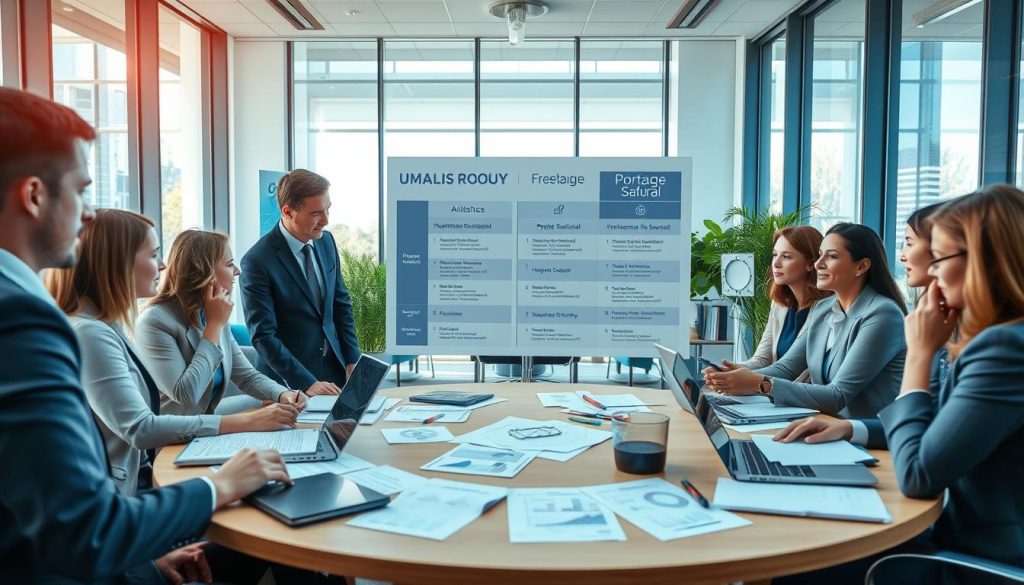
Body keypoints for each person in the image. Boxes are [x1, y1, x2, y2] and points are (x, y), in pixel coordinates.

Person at [0, 87, 289, 584]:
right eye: (81, 190)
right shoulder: (25, 320)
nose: (89, 214)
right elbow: (82, 527)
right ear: (33, 195)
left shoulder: (81, 320)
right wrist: (219, 487)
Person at [774, 186, 1024, 581]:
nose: (933, 270)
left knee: (796, 565)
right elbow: (939, 422)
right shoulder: (986, 340)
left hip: (975, 555)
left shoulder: (1004, 349)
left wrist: (920, 354)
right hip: (950, 530)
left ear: (984, 262)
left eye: (940, 257)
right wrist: (851, 428)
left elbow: (919, 475)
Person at [46, 211, 302, 495]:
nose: (163, 264)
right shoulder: (95, 331)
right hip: (125, 485)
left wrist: (282, 394)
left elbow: (245, 374)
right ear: (119, 263)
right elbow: (147, 423)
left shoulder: (109, 324)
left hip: (159, 460)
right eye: (153, 254)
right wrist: (246, 420)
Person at [704, 223, 906, 418]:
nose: (818, 264)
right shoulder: (823, 308)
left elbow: (838, 395)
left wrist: (759, 383)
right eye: (820, 255)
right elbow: (786, 368)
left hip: (868, 437)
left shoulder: (882, 314)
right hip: (824, 425)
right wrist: (733, 377)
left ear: (861, 266)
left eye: (832, 256)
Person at [137, 229, 309, 418]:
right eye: (229, 264)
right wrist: (213, 327)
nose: (237, 271)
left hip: (206, 428)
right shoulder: (155, 321)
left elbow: (246, 376)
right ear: (204, 272)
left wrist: (283, 394)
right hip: (171, 439)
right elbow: (186, 394)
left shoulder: (211, 311)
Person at [240, 169, 360, 395]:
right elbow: (263, 336)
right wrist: (306, 382)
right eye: (316, 213)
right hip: (287, 385)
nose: (325, 220)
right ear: (288, 212)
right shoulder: (257, 262)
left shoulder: (326, 242)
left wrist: (352, 358)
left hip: (335, 373)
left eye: (328, 209)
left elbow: (340, 304)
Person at [732, 226, 831, 381]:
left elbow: (789, 370)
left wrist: (740, 378)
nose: (776, 263)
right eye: (775, 255)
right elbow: (762, 359)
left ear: (811, 264)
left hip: (803, 399)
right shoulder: (779, 306)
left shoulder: (827, 309)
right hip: (773, 394)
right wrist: (731, 368)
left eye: (786, 257)